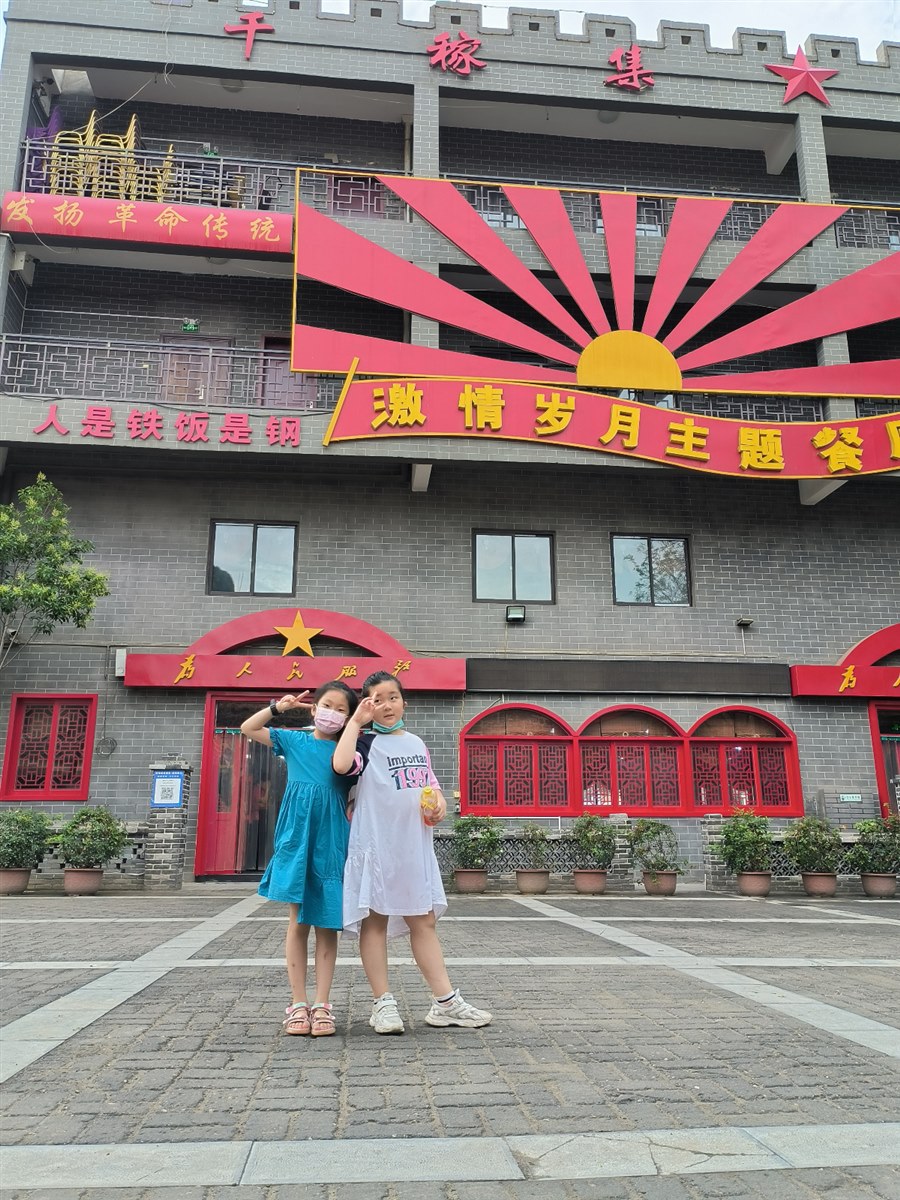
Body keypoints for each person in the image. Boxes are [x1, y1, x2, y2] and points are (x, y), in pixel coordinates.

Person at [333, 670, 492, 1035]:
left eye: (393, 697)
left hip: (413, 848)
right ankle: (383, 1003)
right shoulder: (365, 743)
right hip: (377, 847)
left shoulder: (417, 743)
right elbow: (341, 766)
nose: (386, 705)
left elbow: (431, 787)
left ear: (404, 702)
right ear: (367, 705)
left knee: (424, 921)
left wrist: (438, 806)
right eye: (377, 700)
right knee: (375, 921)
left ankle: (445, 1003)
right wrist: (355, 723)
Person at [240, 681, 359, 1038]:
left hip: (331, 840)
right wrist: (279, 707)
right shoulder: (294, 741)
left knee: (326, 921)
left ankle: (322, 1004)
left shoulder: (348, 752)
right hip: (297, 835)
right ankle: (297, 1003)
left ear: (349, 718)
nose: (332, 713)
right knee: (297, 920)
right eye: (327, 705)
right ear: (314, 708)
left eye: (341, 710)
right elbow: (248, 728)